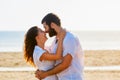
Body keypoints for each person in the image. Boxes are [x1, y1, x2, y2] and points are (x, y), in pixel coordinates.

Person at [35, 13, 84, 80]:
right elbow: (51, 59)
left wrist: (45, 74)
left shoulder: (69, 38)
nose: (45, 31)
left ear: (52, 25)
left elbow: (65, 64)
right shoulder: (55, 41)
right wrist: (40, 70)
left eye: (45, 27)